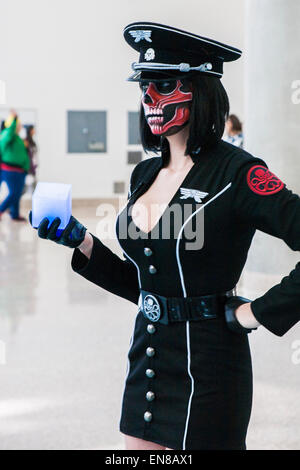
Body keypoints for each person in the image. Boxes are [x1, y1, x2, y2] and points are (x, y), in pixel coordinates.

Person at [30, 22, 300, 450]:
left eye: (165, 85)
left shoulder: (239, 174)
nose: (149, 99)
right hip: (148, 362)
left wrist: (259, 312)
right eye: (144, 87)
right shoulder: (146, 172)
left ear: (201, 89)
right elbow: (145, 285)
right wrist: (81, 242)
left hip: (211, 368)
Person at [0, 111, 29, 221]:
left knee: (17, 193)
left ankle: (15, 215)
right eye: (18, 124)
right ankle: (1, 210)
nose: (20, 126)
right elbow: (11, 130)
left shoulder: (16, 137)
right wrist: (15, 117)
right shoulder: (7, 134)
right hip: (11, 170)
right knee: (14, 193)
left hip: (19, 170)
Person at [24, 125, 38, 192]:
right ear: (30, 131)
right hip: (28, 169)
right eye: (33, 129)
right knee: (24, 189)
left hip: (33, 168)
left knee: (34, 188)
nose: (34, 131)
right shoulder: (25, 141)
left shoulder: (33, 142)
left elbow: (34, 155)